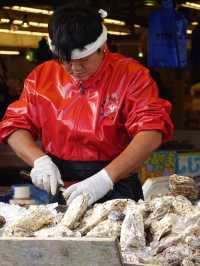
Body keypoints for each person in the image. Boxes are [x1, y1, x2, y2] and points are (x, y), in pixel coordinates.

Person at [0, 4, 173, 206]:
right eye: (65, 60)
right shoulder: (41, 77)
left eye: (83, 60)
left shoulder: (132, 76)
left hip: (116, 187)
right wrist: (39, 160)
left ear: (103, 47)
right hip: (60, 190)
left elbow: (151, 130)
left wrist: (104, 179)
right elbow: (15, 124)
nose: (74, 69)